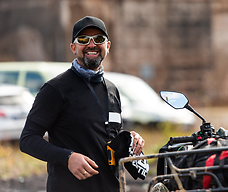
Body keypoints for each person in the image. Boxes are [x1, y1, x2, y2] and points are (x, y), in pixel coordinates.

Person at [19, 16, 145, 192]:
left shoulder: (112, 90)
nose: (91, 45)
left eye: (99, 39)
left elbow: (107, 139)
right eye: (83, 39)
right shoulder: (56, 89)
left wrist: (130, 140)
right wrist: (68, 157)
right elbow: (27, 140)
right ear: (73, 47)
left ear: (107, 46)